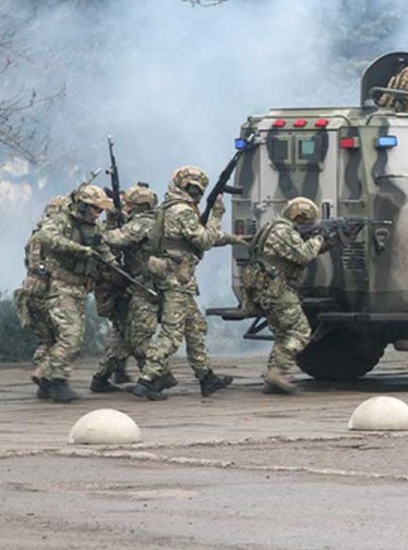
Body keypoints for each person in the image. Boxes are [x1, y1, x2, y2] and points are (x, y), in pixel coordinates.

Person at [132, 166, 236, 401]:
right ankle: (147, 379)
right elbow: (204, 240)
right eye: (195, 188)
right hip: (176, 279)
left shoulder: (171, 206)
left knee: (194, 327)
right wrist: (217, 215)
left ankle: (206, 377)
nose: (197, 193)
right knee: (172, 334)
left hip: (177, 278)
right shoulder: (182, 210)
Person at [32, 185, 116, 402]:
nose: (98, 214)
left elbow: (103, 249)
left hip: (79, 288)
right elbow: (46, 236)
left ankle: (46, 380)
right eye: (95, 209)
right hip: (60, 286)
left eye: (101, 210)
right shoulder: (62, 220)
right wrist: (78, 249)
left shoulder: (93, 227)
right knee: (71, 338)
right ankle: (57, 380)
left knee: (71, 337)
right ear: (83, 205)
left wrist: (114, 267)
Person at [241, 197, 327, 394]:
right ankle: (278, 372)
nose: (307, 224)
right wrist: (319, 239)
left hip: (266, 288)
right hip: (275, 289)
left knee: (283, 333)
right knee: (300, 331)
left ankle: (272, 379)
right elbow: (303, 255)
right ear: (299, 216)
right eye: (306, 220)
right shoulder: (283, 231)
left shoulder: (273, 227)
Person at [90, 184, 159, 393]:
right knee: (132, 334)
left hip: (129, 284)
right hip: (121, 284)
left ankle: (103, 377)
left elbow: (116, 239)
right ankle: (153, 377)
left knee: (123, 334)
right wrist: (111, 221)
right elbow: (113, 240)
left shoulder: (140, 224)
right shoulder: (135, 224)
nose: (126, 208)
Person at [15, 194, 72, 399]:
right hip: (46, 290)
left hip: (29, 290)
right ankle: (47, 375)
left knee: (46, 340)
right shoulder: (51, 236)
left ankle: (44, 384)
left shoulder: (35, 235)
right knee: (65, 338)